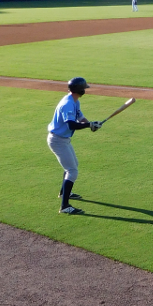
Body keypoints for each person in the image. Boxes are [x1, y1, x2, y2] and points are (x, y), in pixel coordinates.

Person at [47, 77, 101, 214]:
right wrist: (89, 125)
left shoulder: (74, 101)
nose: (85, 90)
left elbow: (80, 118)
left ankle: (64, 192)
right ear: (80, 90)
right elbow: (71, 124)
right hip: (57, 140)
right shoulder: (67, 104)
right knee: (72, 170)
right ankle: (65, 206)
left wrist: (90, 125)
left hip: (63, 139)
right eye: (84, 88)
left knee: (72, 165)